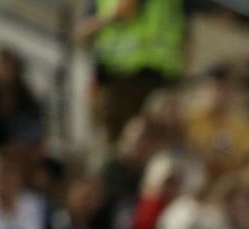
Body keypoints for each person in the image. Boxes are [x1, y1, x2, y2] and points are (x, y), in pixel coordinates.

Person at [80, 0, 187, 143]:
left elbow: (185, 40)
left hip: (156, 86)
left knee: (149, 143)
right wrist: (114, 15)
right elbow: (81, 32)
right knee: (111, 141)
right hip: (117, 81)